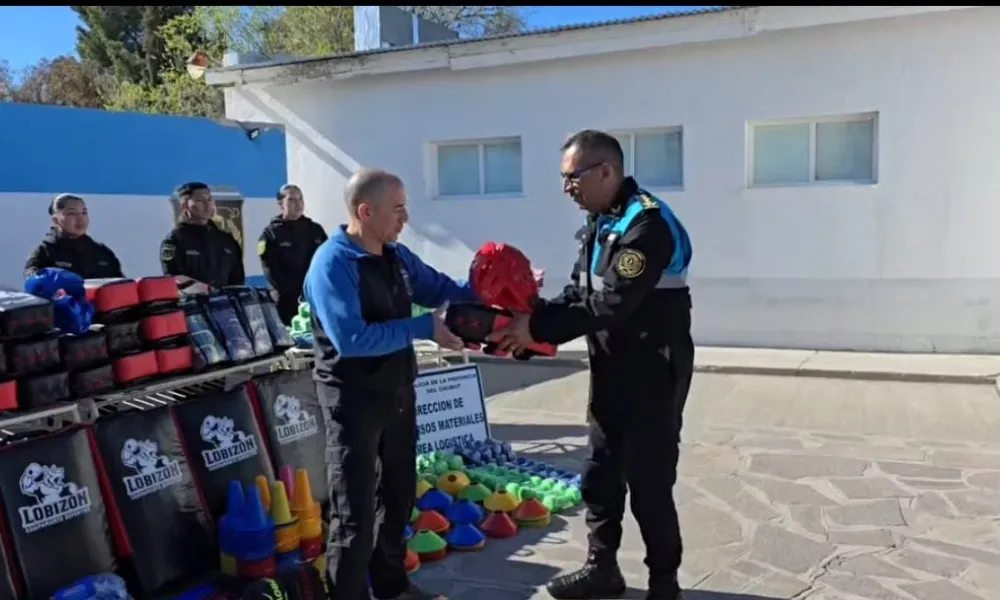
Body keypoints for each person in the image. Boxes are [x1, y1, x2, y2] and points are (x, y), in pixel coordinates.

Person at [489, 130, 694, 600]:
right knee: (602, 473)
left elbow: (611, 304)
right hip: (612, 369)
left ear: (606, 170)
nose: (566, 188)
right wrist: (531, 322)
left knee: (649, 483)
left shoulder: (648, 225)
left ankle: (664, 583)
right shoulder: (603, 222)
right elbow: (580, 295)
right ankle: (602, 569)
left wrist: (536, 331)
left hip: (652, 374)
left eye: (572, 177)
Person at [303, 168, 477, 600]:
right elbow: (352, 339)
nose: (405, 218)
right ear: (366, 211)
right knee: (355, 517)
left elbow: (441, 289)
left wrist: (497, 289)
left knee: (397, 501)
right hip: (353, 403)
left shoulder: (396, 257)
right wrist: (420, 327)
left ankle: (392, 586)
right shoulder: (333, 264)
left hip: (398, 396)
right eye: (397, 209)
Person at [258, 184, 328, 324]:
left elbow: (326, 261)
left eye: (300, 199)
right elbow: (270, 269)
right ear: (280, 204)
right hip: (286, 300)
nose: (298, 203)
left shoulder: (315, 229)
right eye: (291, 200)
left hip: (314, 297)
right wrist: (294, 291)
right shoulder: (271, 233)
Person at [160, 182, 245, 289]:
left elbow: (237, 280)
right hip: (191, 303)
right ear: (185, 206)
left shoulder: (226, 239)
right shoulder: (175, 240)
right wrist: (206, 290)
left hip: (224, 304)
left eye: (209, 199)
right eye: (200, 200)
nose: (207, 205)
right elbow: (174, 279)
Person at [24, 193, 125, 279]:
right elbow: (33, 281)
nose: (80, 219)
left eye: (84, 212)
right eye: (72, 213)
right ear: (56, 220)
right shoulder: (45, 252)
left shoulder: (102, 252)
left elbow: (121, 287)